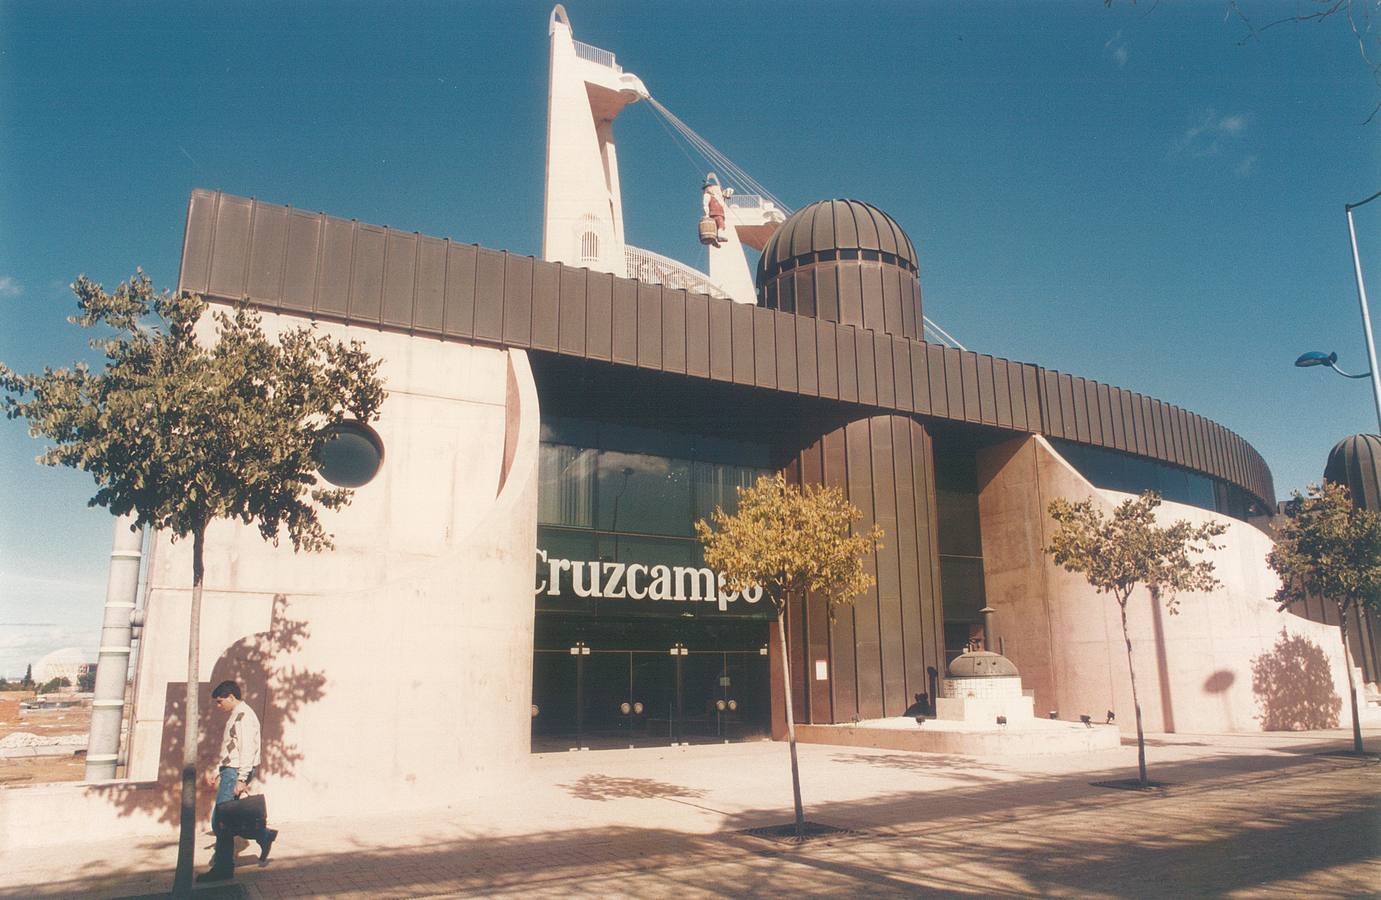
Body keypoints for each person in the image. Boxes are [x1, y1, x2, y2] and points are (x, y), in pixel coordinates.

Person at [197, 679, 277, 882]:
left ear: (231, 697)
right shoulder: (237, 715)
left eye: (220, 701)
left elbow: (247, 750)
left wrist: (241, 779)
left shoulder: (243, 717)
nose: (218, 705)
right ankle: (263, 835)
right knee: (228, 820)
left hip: (235, 772)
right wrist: (218, 770)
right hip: (229, 771)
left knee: (221, 822)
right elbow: (231, 749)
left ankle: (223, 868)